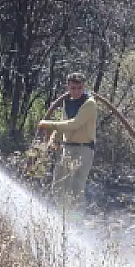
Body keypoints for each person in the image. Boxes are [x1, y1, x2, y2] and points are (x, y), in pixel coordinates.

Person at [37, 72, 98, 207]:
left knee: (77, 186)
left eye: (79, 88)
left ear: (84, 87)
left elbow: (74, 124)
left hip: (84, 148)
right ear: (68, 87)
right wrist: (53, 140)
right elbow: (63, 121)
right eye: (73, 88)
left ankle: (77, 216)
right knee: (59, 183)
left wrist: (48, 124)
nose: (76, 91)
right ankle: (59, 213)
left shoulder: (89, 103)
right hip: (68, 147)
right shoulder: (67, 101)